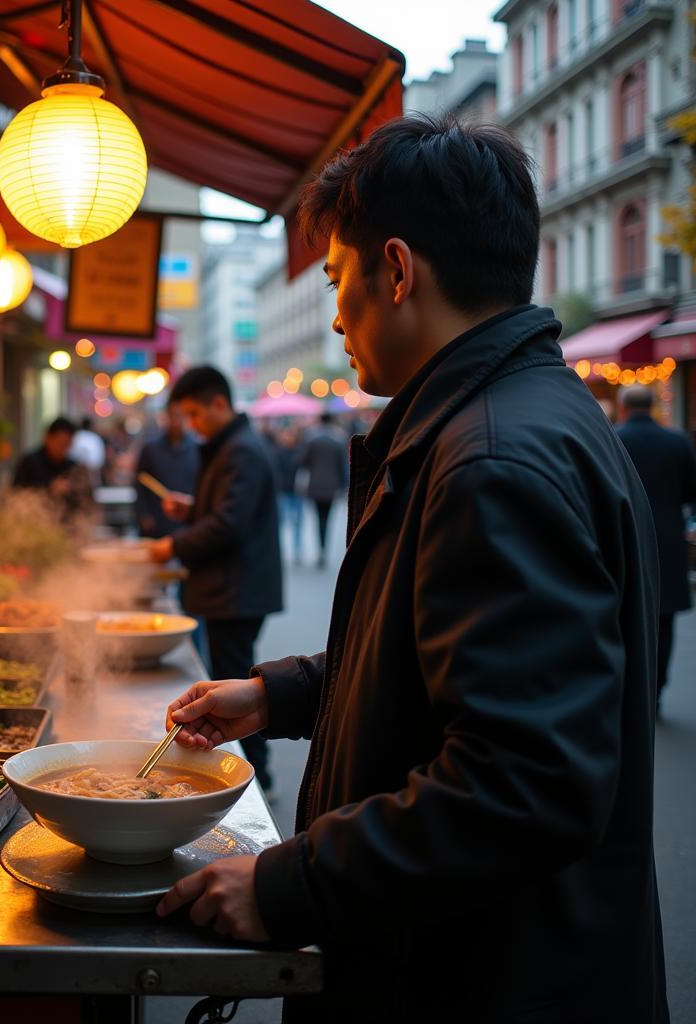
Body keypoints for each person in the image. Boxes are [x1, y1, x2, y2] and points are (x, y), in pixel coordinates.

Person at [155, 116, 667, 1024]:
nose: (339, 313)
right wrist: (282, 696)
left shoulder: (491, 458)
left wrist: (286, 886)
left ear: (396, 270)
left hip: (480, 981)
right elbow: (442, 672)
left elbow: (523, 786)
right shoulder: (511, 417)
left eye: (336, 279)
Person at [149, 366, 282, 792]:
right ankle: (252, 772)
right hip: (229, 588)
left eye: (194, 414)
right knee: (234, 680)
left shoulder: (239, 450)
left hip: (236, 590)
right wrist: (190, 509)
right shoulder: (227, 446)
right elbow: (222, 510)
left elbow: (229, 525)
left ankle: (256, 777)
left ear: (219, 403)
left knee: (239, 688)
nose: (191, 425)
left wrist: (173, 545)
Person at [617, 384, 696, 710]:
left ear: (624, 407)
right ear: (651, 406)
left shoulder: (614, 439)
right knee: (663, 621)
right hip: (667, 539)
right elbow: (692, 491)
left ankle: (629, 685)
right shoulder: (676, 441)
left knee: (623, 614)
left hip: (623, 536)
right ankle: (656, 686)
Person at [134, 402, 200, 538]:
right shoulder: (151, 449)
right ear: (166, 417)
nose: (176, 421)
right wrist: (143, 515)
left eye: (181, 416)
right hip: (157, 520)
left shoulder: (198, 449)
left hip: (187, 521)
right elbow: (139, 483)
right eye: (173, 416)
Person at [12, 416, 92, 516]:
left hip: (67, 526)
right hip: (34, 522)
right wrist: (49, 489)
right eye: (60, 444)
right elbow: (16, 494)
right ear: (47, 437)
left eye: (68, 445)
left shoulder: (73, 467)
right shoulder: (30, 462)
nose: (64, 449)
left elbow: (86, 501)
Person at [300, 412, 349, 568]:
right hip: (331, 486)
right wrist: (344, 485)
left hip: (315, 485)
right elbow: (343, 465)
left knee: (318, 519)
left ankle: (320, 549)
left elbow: (303, 461)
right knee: (327, 519)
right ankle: (324, 549)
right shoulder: (338, 440)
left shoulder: (311, 439)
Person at [273, 427, 304, 562]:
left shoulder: (300, 452)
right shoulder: (278, 453)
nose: (288, 438)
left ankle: (297, 551)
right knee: (282, 522)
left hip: (297, 492)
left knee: (297, 523)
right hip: (283, 492)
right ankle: (281, 550)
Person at [69, 416, 106, 486]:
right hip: (87, 472)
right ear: (91, 426)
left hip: (77, 471)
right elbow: (99, 460)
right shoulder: (95, 438)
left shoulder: (75, 436)